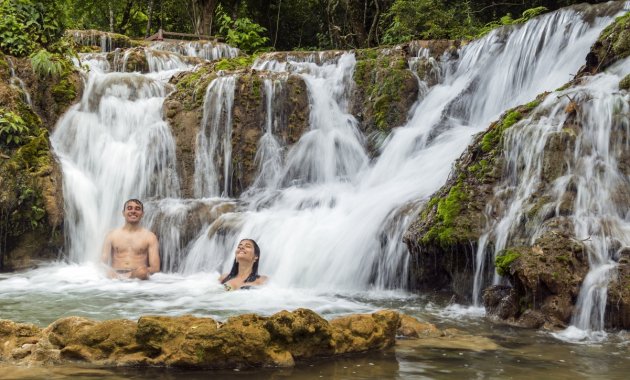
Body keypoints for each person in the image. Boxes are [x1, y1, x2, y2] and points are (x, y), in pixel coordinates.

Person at [101, 199, 160, 280]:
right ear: (123, 213)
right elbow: (102, 262)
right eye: (129, 208)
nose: (133, 211)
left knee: (143, 271)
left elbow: (155, 267)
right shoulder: (112, 235)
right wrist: (108, 271)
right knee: (107, 272)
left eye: (137, 209)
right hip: (115, 275)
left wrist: (135, 273)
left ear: (142, 214)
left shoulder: (150, 236)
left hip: (137, 276)